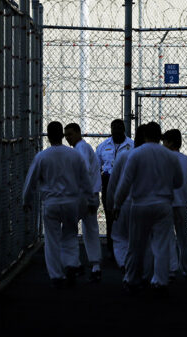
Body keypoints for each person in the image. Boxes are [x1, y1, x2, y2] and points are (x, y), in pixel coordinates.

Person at [22, 121, 96, 289]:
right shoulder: (74, 155)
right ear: (62, 135)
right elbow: (85, 180)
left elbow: (31, 181)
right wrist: (91, 201)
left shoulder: (42, 156)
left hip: (51, 202)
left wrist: (26, 201)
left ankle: (56, 275)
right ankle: (71, 263)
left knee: (52, 239)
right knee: (70, 234)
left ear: (48, 136)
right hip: (71, 202)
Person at [114, 122, 183, 296]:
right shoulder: (170, 156)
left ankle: (131, 278)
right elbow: (179, 182)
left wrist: (117, 203)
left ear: (145, 135)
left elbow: (125, 182)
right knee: (161, 244)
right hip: (163, 204)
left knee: (135, 245)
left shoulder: (135, 154)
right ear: (160, 136)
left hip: (140, 204)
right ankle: (160, 280)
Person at [64, 123, 102, 282]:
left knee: (69, 229)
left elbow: (83, 170)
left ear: (79, 133)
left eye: (70, 134)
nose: (67, 138)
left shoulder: (80, 149)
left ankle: (73, 263)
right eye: (66, 135)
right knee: (90, 229)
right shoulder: (83, 148)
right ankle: (95, 265)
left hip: (81, 195)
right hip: (90, 194)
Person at [106, 124, 147, 271]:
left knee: (120, 236)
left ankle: (124, 264)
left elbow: (114, 182)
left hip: (126, 203)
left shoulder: (125, 156)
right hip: (148, 203)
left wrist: (111, 205)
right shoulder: (159, 155)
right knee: (145, 239)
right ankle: (144, 270)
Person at [96, 119, 134, 258]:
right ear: (110, 129)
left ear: (124, 129)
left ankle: (128, 247)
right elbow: (96, 165)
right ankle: (112, 248)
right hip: (108, 181)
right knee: (110, 214)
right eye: (114, 128)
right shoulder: (103, 146)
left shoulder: (132, 145)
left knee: (126, 214)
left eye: (119, 128)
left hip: (125, 182)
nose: (116, 131)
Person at [162, 129, 187, 281]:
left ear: (170, 142)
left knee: (167, 237)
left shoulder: (163, 159)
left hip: (167, 203)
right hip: (182, 203)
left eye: (165, 141)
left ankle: (171, 268)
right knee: (184, 238)